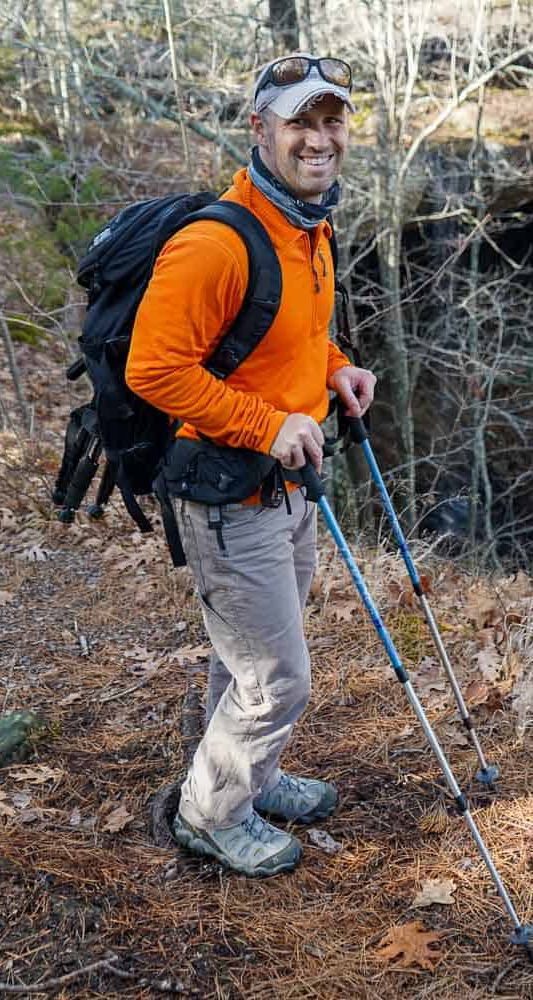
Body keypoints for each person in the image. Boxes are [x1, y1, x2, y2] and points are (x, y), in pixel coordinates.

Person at [125, 54, 376, 877]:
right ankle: (210, 812)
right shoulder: (214, 244)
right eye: (301, 122)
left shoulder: (308, 224)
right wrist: (266, 424)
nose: (319, 138)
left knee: (250, 658)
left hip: (286, 487)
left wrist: (334, 365)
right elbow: (153, 371)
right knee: (277, 680)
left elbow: (288, 336)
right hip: (228, 495)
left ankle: (249, 777)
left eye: (331, 121)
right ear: (260, 129)